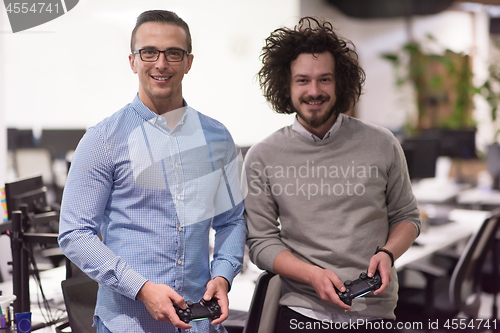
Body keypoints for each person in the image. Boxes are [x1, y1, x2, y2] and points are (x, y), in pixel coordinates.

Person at [58, 10, 247, 333]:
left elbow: (231, 220)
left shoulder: (217, 138)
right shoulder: (102, 139)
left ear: (188, 62)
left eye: (173, 53)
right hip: (127, 324)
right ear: (133, 61)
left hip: (200, 322)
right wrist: (142, 288)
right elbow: (75, 233)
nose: (161, 64)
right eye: (149, 52)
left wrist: (223, 275)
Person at [244, 17, 420, 332]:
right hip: (301, 312)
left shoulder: (382, 143)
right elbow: (261, 242)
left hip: (374, 313)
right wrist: (312, 274)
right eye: (302, 80)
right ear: (286, 84)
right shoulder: (262, 156)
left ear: (340, 82)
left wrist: (388, 254)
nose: (314, 91)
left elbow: (407, 216)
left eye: (325, 79)